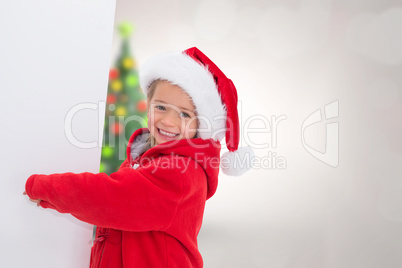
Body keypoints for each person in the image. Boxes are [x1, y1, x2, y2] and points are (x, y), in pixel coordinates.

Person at [24, 47, 253, 268]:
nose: (168, 121)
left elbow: (112, 199)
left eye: (184, 114)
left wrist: (45, 188)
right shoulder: (145, 160)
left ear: (200, 125)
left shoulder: (180, 172)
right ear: (148, 106)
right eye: (161, 107)